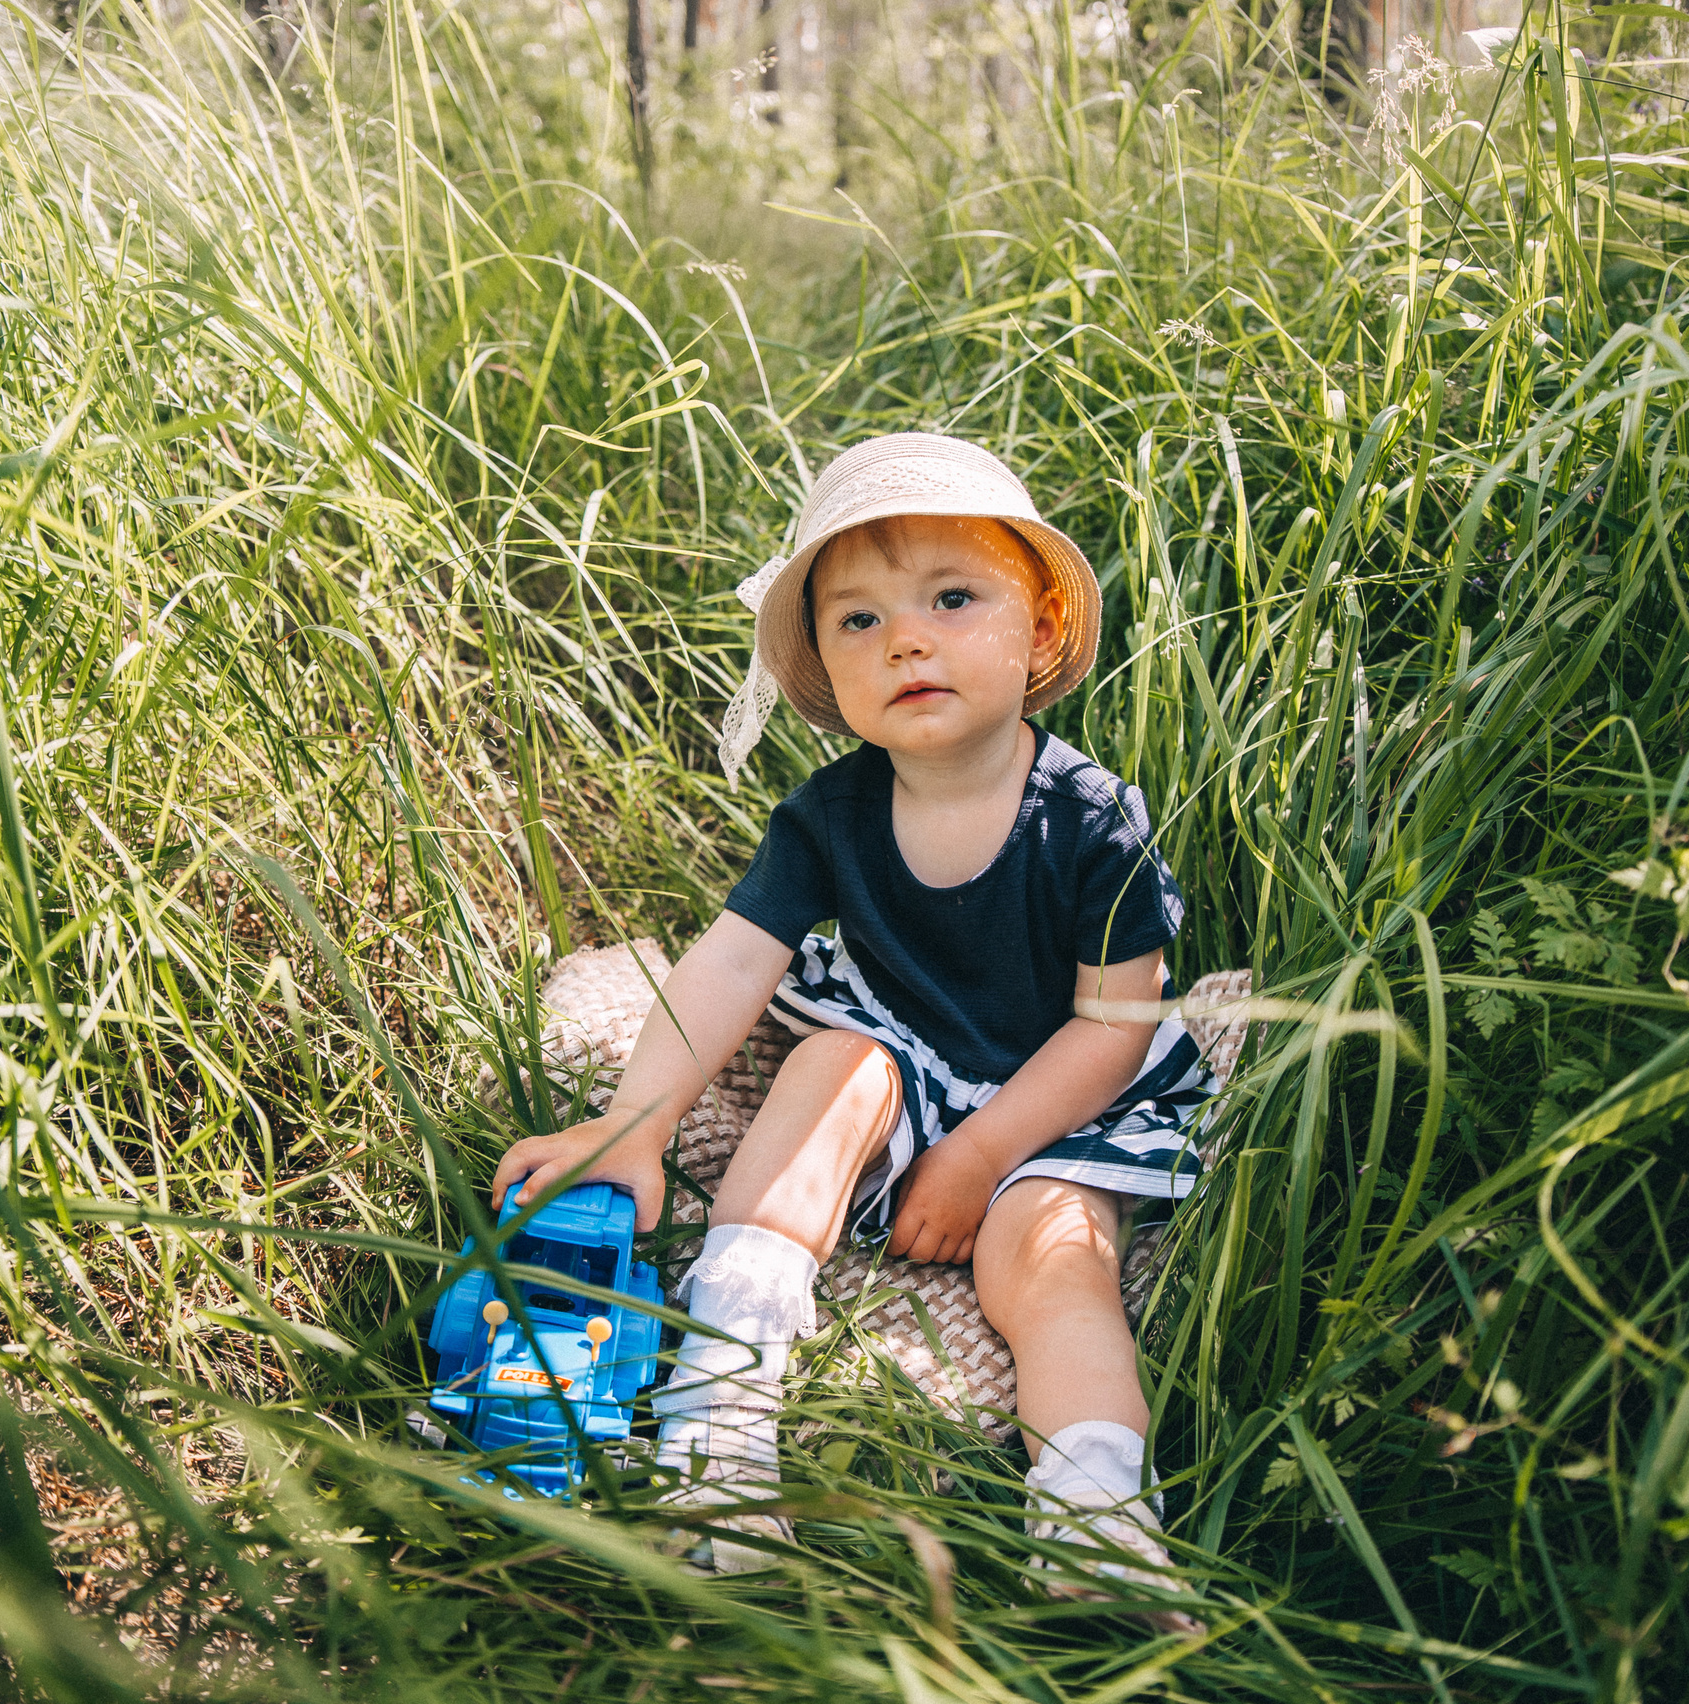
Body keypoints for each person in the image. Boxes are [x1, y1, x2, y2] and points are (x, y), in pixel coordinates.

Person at [488, 434, 1212, 1619]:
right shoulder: (829, 813)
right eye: (859, 622)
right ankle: (716, 1420)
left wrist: (982, 1157)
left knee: (1051, 1257)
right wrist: (630, 1123)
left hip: (1068, 1083)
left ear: (1036, 632)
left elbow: (1113, 1026)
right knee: (832, 1060)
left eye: (950, 598)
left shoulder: (1091, 820)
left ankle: (1094, 1519)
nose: (906, 639)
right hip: (906, 1050)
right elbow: (729, 962)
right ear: (824, 668)